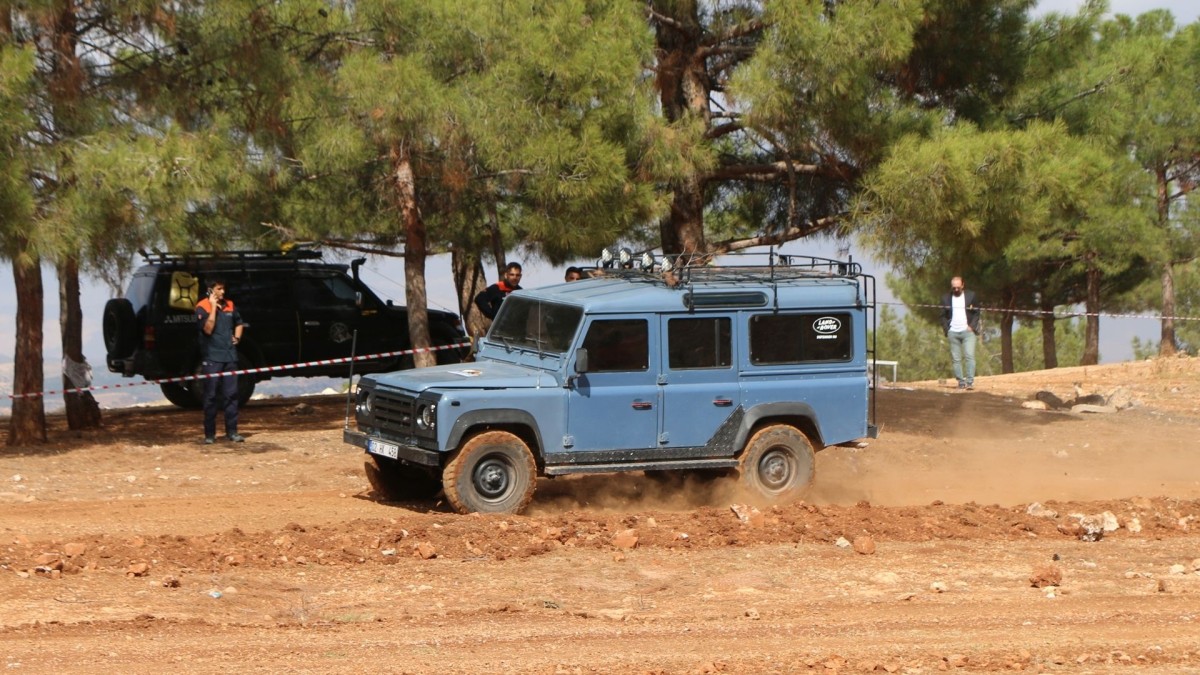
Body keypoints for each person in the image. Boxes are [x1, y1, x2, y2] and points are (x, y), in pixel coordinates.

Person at [196, 279, 246, 443]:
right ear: (211, 290)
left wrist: (237, 338)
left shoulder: (230, 305)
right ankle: (210, 434)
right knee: (211, 396)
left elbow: (239, 323)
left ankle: (232, 432)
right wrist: (212, 307)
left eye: (224, 288)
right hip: (212, 358)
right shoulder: (202, 307)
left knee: (231, 395)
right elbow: (208, 329)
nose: (223, 292)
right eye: (219, 289)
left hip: (230, 357)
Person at [940, 276, 982, 390]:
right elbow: (942, 316)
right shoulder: (945, 298)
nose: (956, 290)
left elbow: (977, 312)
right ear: (951, 287)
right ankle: (960, 381)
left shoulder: (971, 296)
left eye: (958, 287)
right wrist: (947, 330)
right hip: (953, 332)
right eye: (954, 288)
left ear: (963, 285)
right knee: (956, 358)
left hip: (968, 332)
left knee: (969, 356)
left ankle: (970, 382)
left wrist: (972, 327)